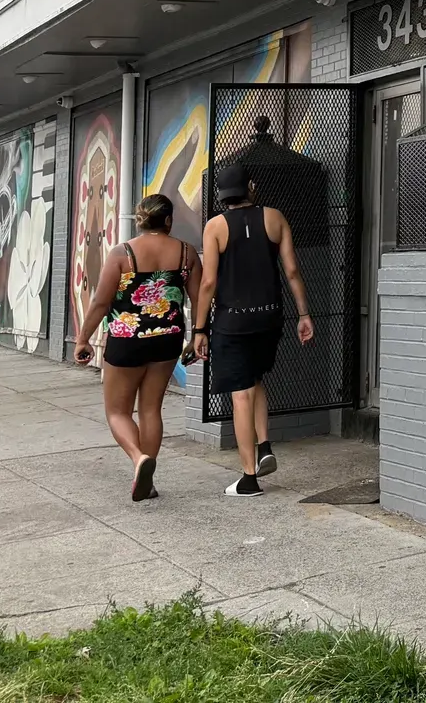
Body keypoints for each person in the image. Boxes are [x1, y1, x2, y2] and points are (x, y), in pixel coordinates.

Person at [192, 163, 314, 497]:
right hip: (269, 318)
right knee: (256, 379)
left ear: (221, 194)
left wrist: (200, 328)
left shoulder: (215, 226)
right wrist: (304, 314)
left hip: (233, 322)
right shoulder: (275, 218)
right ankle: (264, 446)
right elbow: (292, 270)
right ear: (251, 187)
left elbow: (208, 282)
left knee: (241, 393)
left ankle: (248, 478)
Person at [74, 193, 199, 501]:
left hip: (126, 340)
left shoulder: (123, 253)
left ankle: (138, 458)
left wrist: (83, 338)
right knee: (151, 409)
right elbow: (199, 299)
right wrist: (199, 334)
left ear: (140, 220)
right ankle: (148, 481)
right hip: (167, 339)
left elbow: (100, 301)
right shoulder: (186, 253)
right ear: (168, 220)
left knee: (117, 412)